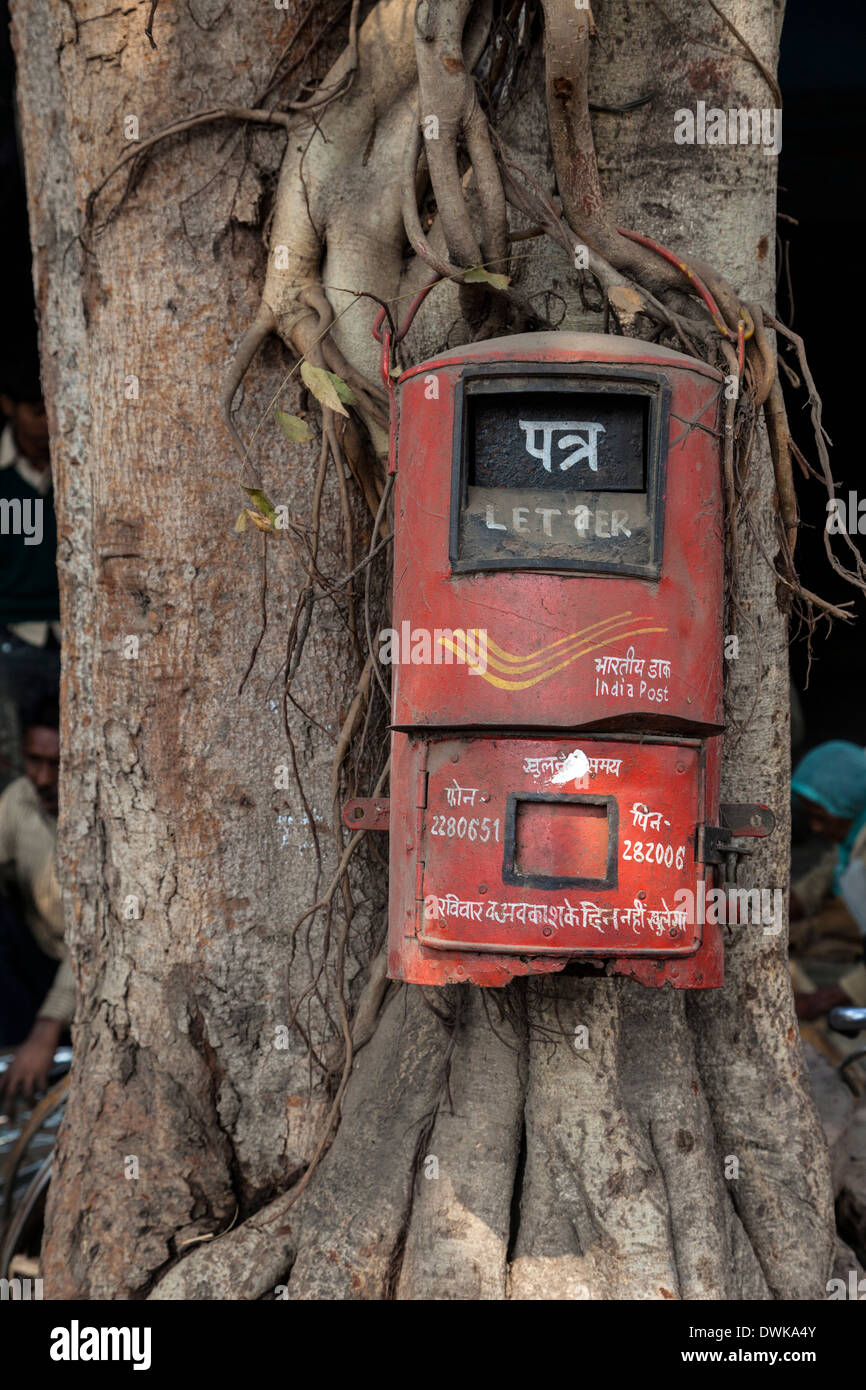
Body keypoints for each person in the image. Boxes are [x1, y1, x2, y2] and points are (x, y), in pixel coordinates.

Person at [0, 696, 70, 1104]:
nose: (43, 778)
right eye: (34, 761)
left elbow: (98, 946)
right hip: (35, 961)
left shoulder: (109, 817)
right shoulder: (21, 798)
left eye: (58, 764)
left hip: (85, 979)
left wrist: (46, 1032)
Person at [0, 365, 60, 794]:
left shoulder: (86, 465)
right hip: (11, 639)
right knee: (13, 764)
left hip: (77, 637)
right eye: (37, 409)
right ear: (8, 406)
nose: (47, 420)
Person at [790, 741, 866, 1021]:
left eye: (820, 816)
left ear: (849, 804)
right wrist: (727, 911)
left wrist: (817, 1003)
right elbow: (805, 895)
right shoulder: (850, 841)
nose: (816, 828)